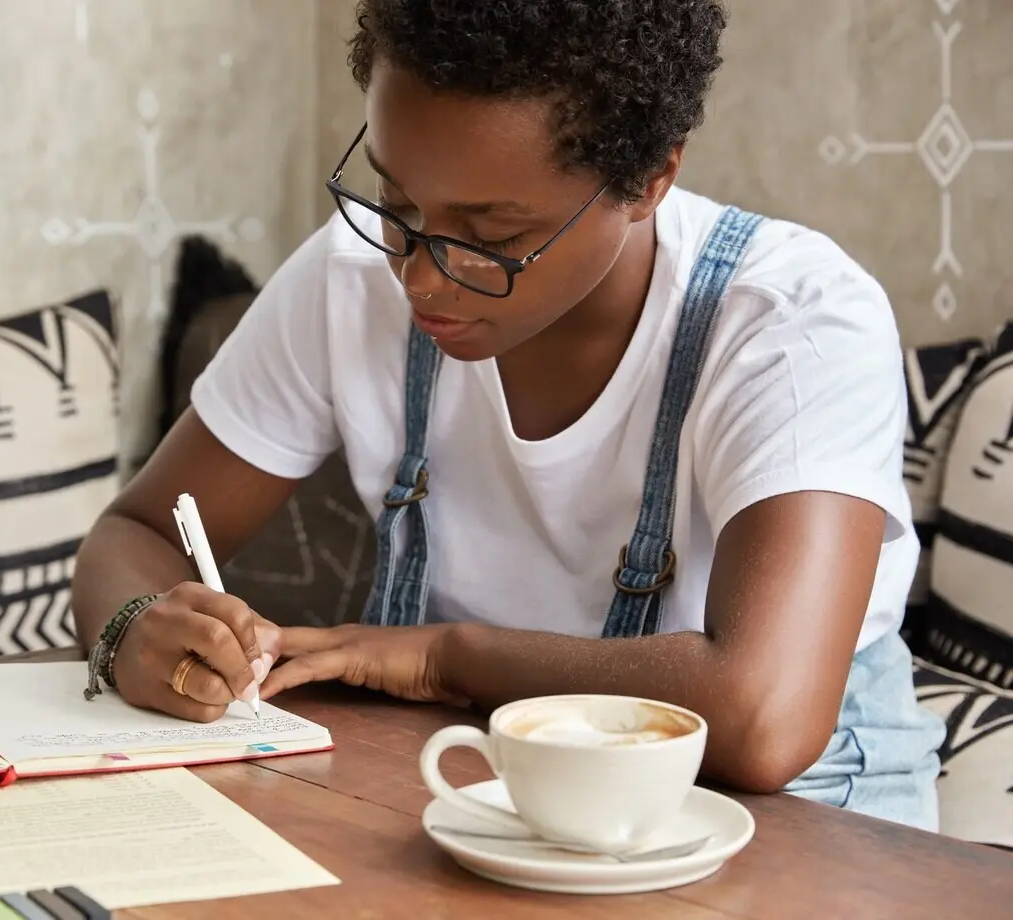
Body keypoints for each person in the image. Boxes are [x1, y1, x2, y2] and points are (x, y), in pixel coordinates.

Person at [72, 0, 946, 829]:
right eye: (399, 203)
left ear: (649, 178)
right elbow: (134, 531)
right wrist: (138, 628)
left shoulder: (789, 322)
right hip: (480, 791)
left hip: (797, 823)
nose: (417, 276)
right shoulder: (348, 280)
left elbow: (764, 718)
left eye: (486, 236)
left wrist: (441, 658)